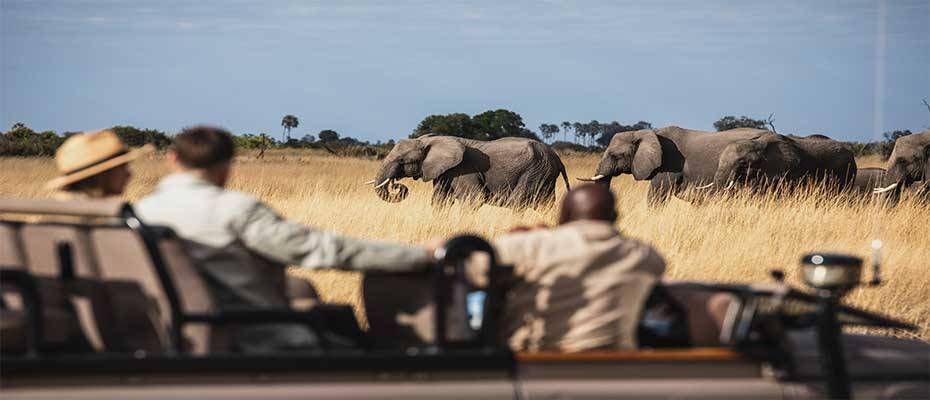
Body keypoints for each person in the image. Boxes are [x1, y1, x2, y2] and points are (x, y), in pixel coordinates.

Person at [134, 126, 434, 352]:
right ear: (227, 165)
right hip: (259, 336)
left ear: (172, 158)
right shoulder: (236, 209)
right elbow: (319, 251)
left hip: (172, 335)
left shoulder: (139, 212)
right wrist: (421, 254)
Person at [467, 184, 675, 352]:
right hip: (613, 368)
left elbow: (468, 269)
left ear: (563, 217)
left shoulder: (528, 246)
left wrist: (525, 240)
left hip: (534, 363)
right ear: (614, 217)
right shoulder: (643, 255)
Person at [45, 129, 152, 199]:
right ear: (102, 173)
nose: (129, 174)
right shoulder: (111, 219)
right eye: (122, 167)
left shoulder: (50, 213)